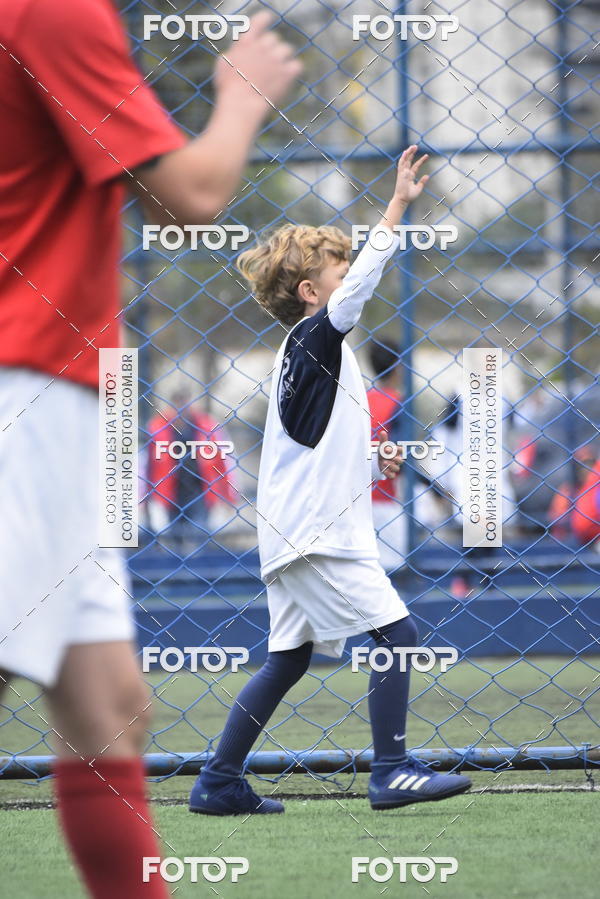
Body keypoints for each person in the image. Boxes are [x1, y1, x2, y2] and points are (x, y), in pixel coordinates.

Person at [0, 2, 300, 896]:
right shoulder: (50, 9)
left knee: (110, 710)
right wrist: (241, 94)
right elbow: (191, 192)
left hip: (48, 391)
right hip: (24, 388)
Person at [188, 147, 471, 816]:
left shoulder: (316, 352)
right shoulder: (317, 334)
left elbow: (310, 446)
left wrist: (375, 459)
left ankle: (217, 781)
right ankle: (391, 770)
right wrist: (396, 207)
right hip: (319, 535)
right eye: (338, 270)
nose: (351, 274)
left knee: (287, 659)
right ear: (311, 294)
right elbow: (364, 282)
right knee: (397, 636)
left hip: (294, 530)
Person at [146, 391, 236, 550]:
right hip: (170, 491)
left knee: (199, 533)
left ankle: (197, 561)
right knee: (173, 535)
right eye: (177, 405)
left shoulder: (207, 426)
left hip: (200, 489)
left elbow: (223, 462)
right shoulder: (158, 427)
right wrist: (145, 496)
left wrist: (229, 495)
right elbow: (148, 465)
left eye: (185, 405)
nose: (181, 410)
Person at [367, 340, 408, 572]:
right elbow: (404, 459)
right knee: (393, 573)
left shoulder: (362, 398)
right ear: (398, 366)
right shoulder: (398, 403)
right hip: (386, 500)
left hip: (356, 500)